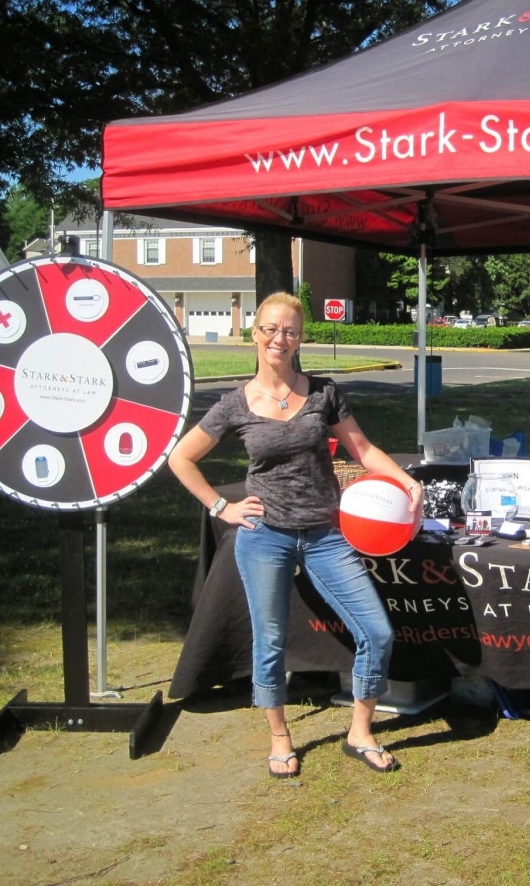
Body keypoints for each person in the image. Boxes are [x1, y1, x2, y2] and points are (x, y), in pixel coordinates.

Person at [169, 292, 422, 778]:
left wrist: (407, 481)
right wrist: (221, 506)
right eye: (269, 329)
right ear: (254, 334)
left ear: (300, 338)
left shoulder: (324, 393)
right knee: (270, 641)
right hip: (265, 535)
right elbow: (180, 458)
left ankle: (360, 731)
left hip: (326, 534)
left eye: (288, 330)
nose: (278, 338)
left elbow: (363, 449)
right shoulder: (234, 404)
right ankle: (280, 736)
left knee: (376, 630)